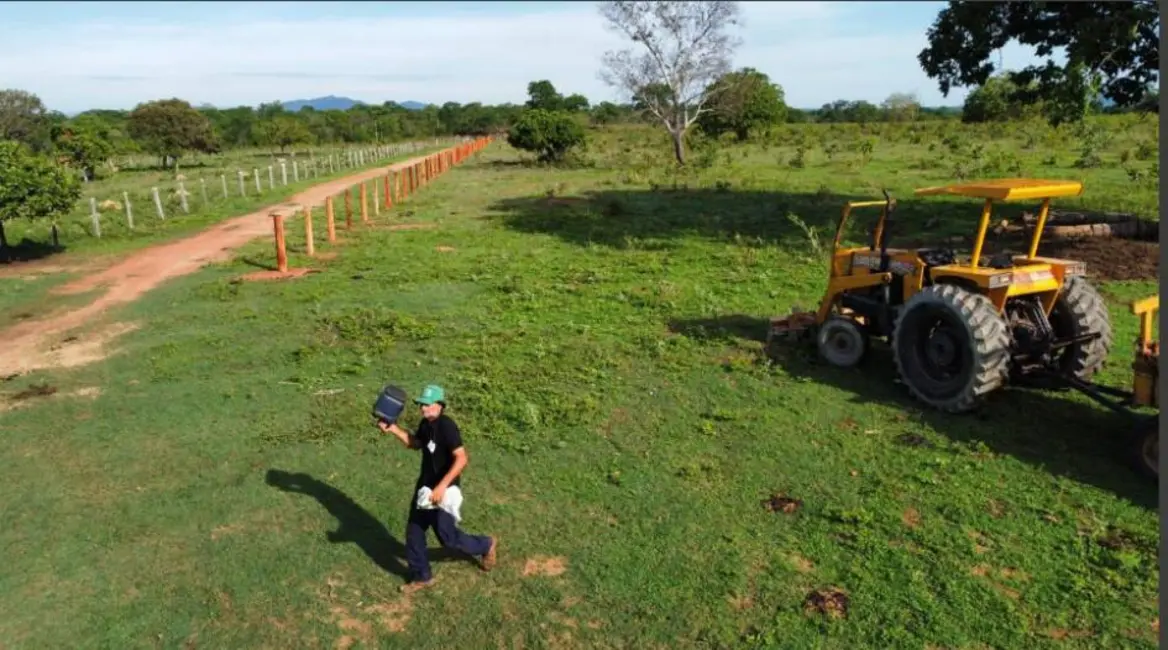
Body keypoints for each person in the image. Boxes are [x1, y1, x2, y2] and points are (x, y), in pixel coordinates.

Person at [377, 383, 497, 593]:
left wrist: (441, 487)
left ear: (440, 405)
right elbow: (416, 444)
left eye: (428, 404)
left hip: (445, 490)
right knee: (414, 532)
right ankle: (422, 576)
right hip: (425, 488)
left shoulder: (447, 426)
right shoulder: (425, 424)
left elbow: (461, 458)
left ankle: (485, 544)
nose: (423, 408)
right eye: (421, 405)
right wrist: (393, 429)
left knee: (447, 537)